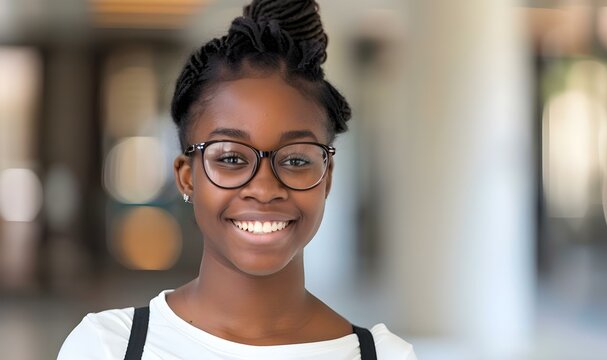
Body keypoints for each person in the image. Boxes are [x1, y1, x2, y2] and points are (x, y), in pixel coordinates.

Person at [57, 0, 416, 359]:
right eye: (230, 158)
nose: (264, 188)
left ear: (326, 177)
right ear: (187, 178)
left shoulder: (385, 356)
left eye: (294, 159)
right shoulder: (108, 346)